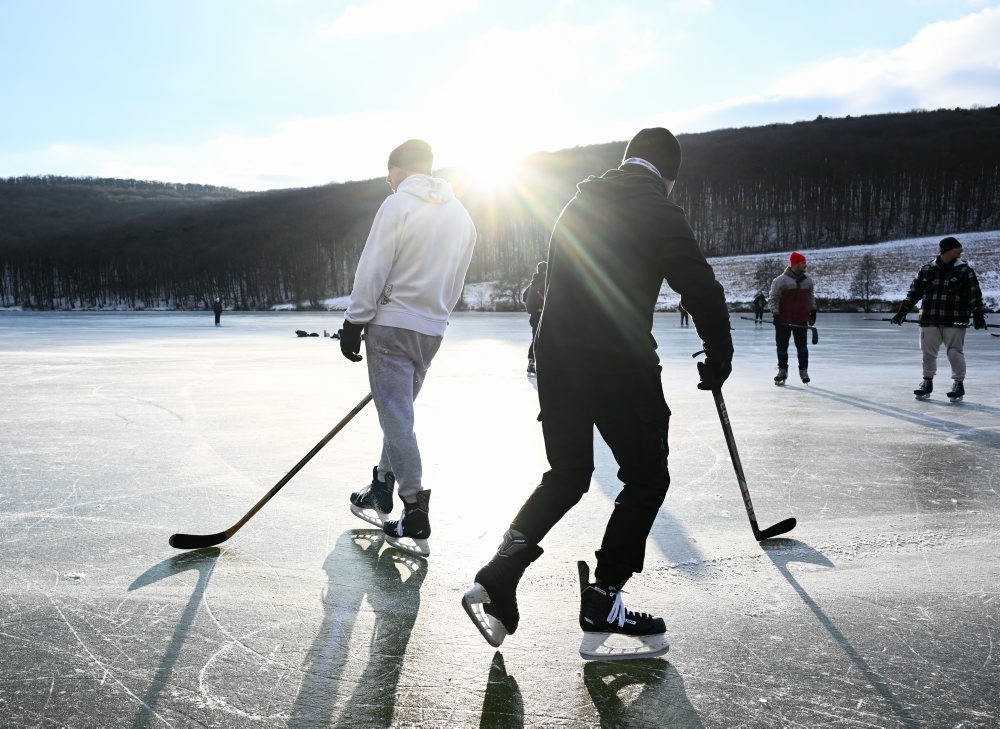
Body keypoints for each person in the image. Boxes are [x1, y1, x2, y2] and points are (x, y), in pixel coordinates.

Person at [461, 127, 733, 661]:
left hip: (559, 362)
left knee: (567, 476)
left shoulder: (576, 205)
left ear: (628, 159)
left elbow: (541, 286)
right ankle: (605, 597)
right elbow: (698, 284)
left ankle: (498, 575)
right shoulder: (658, 208)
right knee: (647, 475)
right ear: (669, 173)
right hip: (620, 362)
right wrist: (718, 352)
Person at [338, 139, 477, 557]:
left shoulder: (398, 204)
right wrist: (437, 317)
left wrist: (354, 320)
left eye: (389, 171)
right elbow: (456, 281)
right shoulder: (462, 216)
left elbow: (374, 264)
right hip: (430, 329)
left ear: (401, 169)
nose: (386, 179)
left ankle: (413, 505)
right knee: (397, 412)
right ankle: (381, 484)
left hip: (391, 326)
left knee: (396, 414)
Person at [891, 236, 986, 401]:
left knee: (955, 352)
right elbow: (914, 292)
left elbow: (974, 294)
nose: (961, 251)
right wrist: (902, 310)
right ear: (947, 250)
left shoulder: (965, 270)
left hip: (955, 319)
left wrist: (978, 314)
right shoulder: (927, 269)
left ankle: (958, 384)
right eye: (957, 248)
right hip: (929, 318)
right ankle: (927, 382)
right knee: (928, 353)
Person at [768, 252, 816, 384]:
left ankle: (803, 370)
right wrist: (776, 314)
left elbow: (810, 297)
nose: (805, 265)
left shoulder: (808, 281)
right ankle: (782, 370)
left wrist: (812, 311)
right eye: (803, 262)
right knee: (782, 346)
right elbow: (773, 299)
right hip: (783, 320)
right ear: (795, 263)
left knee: (802, 346)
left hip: (801, 319)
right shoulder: (780, 281)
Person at [522, 261, 546, 374]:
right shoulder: (545, 282)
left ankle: (531, 361)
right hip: (543, 316)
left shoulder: (533, 283)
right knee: (544, 340)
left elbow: (524, 297)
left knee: (535, 339)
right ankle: (545, 364)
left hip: (534, 316)